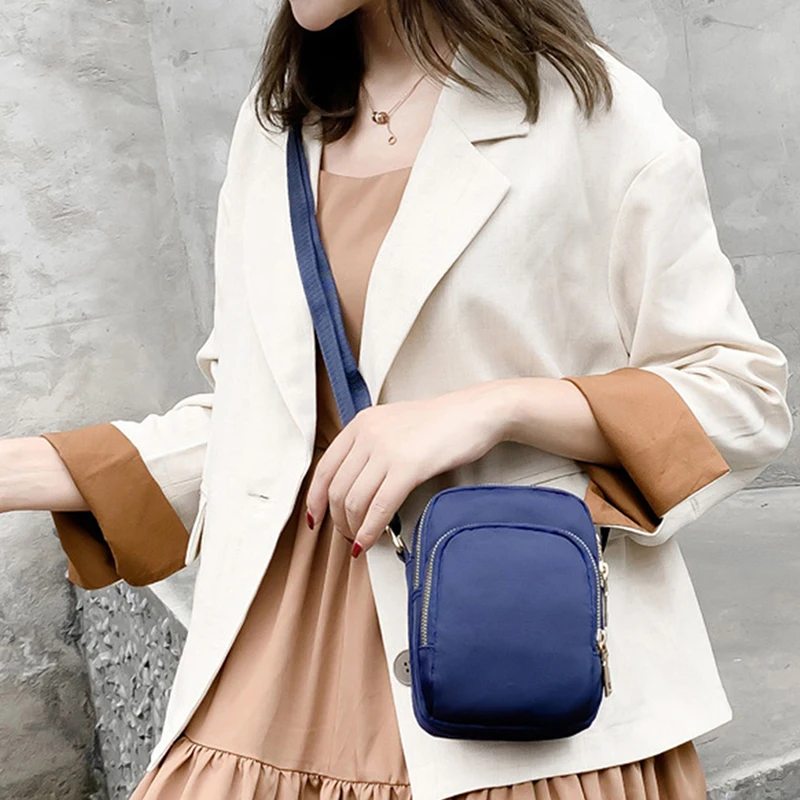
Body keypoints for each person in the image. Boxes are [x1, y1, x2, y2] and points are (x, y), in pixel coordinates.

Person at [0, 0, 792, 798]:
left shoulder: (590, 112)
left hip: (511, 665)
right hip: (276, 669)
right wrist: (34, 468)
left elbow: (740, 398)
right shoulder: (277, 129)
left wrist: (495, 408)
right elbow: (272, 421)